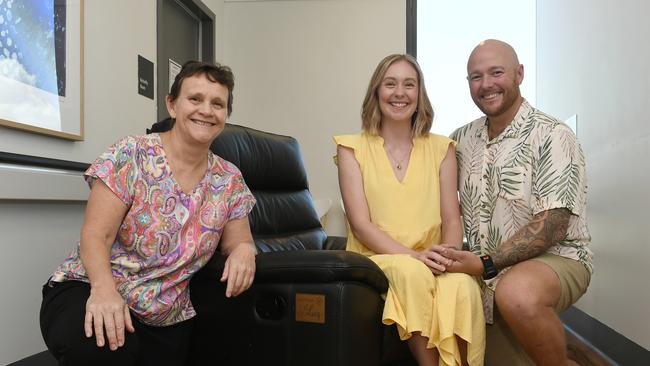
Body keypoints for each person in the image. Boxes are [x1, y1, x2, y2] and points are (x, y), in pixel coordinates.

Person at [39, 61, 257, 366]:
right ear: (172, 104)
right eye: (195, 99)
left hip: (165, 314)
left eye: (217, 104)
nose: (206, 110)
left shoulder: (229, 179)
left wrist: (245, 251)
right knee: (103, 350)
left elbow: (239, 241)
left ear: (225, 116)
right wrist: (104, 292)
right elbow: (95, 235)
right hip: (92, 287)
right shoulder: (131, 154)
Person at [436, 39, 593, 365]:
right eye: (476, 77)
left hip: (556, 259)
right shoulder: (460, 140)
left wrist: (484, 264)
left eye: (497, 72)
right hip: (488, 276)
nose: (486, 84)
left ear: (519, 74)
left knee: (517, 294)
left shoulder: (552, 134)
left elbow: (552, 226)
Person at [334, 54, 485, 366]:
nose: (399, 93)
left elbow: (452, 218)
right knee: (411, 272)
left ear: (420, 95)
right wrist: (414, 256)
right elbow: (361, 225)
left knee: (462, 286)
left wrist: (448, 257)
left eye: (409, 84)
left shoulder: (442, 148)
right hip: (378, 258)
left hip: (433, 256)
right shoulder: (350, 148)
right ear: (377, 92)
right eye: (390, 84)